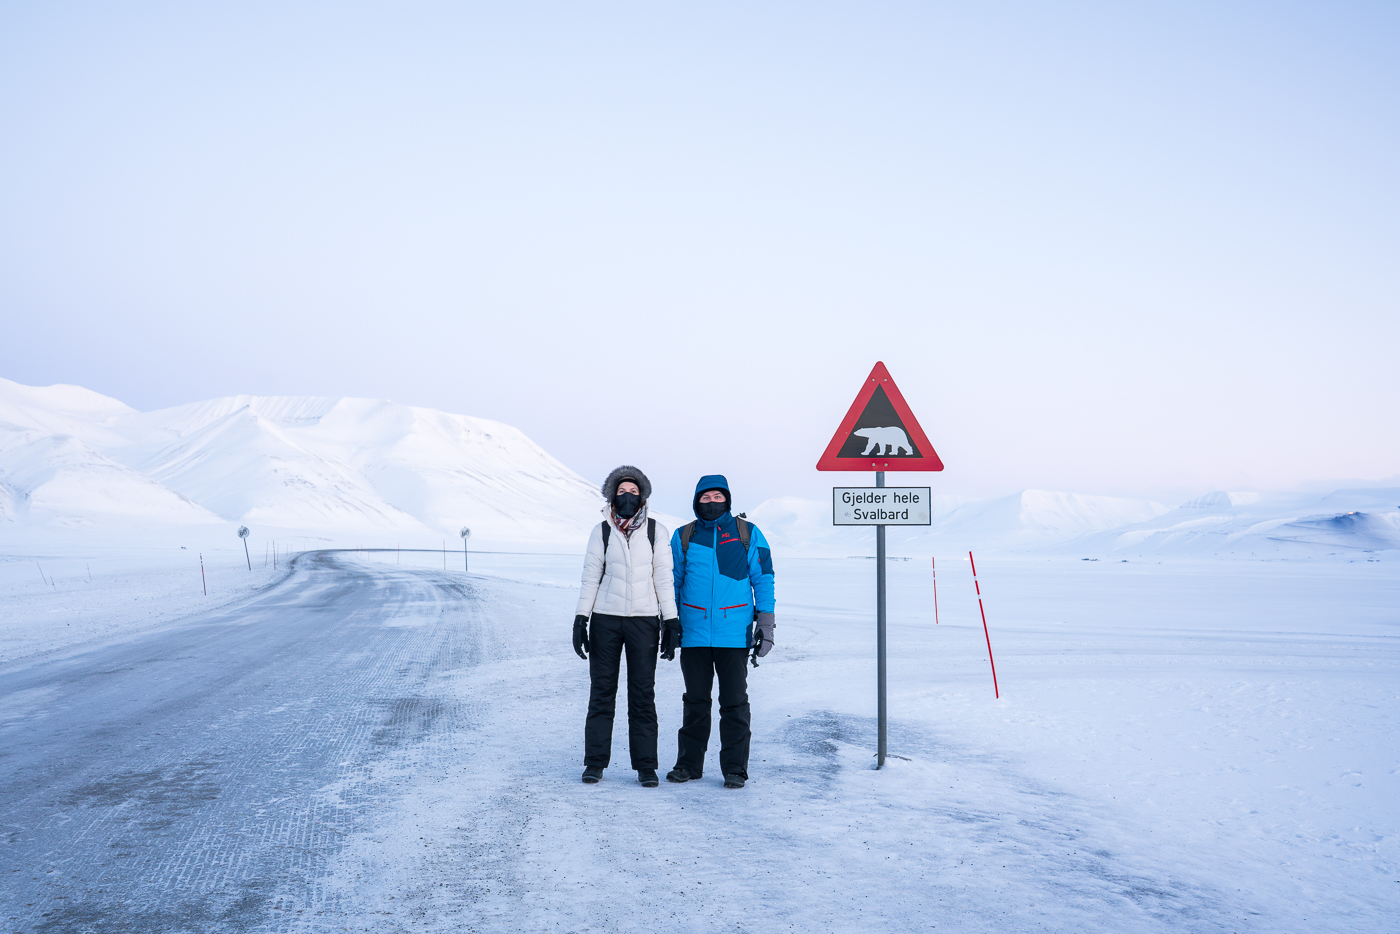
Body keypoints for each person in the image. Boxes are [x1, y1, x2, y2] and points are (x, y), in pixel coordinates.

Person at [664, 475, 775, 789]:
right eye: (705, 497)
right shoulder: (683, 536)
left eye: (717, 497)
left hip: (734, 633)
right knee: (695, 701)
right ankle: (688, 766)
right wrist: (668, 623)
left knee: (734, 703)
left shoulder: (747, 533)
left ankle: (734, 769)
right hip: (694, 632)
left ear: (727, 499)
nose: (711, 503)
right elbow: (672, 581)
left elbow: (763, 578)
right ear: (696, 500)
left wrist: (765, 625)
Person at [573, 466, 679, 786]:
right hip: (606, 619)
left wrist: (671, 620)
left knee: (642, 695)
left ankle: (646, 766)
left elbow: (663, 577)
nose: (628, 496)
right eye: (622, 491)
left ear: (642, 496)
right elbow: (591, 576)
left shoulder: (656, 531)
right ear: (612, 496)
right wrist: (582, 619)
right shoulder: (602, 530)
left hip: (645, 621)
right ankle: (595, 763)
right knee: (602, 693)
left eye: (634, 491)